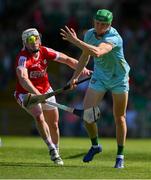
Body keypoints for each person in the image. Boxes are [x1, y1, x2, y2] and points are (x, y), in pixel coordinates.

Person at [60, 9, 130, 168]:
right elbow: (85, 57)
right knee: (87, 116)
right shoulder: (89, 35)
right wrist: (74, 78)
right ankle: (95, 146)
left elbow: (98, 52)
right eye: (97, 23)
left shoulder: (114, 37)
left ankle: (120, 156)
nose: (99, 26)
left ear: (109, 24)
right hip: (99, 77)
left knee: (119, 117)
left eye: (103, 24)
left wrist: (76, 41)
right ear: (94, 21)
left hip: (119, 79)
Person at [14, 28, 91, 165]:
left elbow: (66, 59)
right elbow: (23, 79)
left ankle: (57, 150)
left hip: (46, 90)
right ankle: (52, 149)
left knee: (54, 124)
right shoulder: (23, 58)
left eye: (37, 38)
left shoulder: (44, 51)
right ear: (25, 42)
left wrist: (84, 71)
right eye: (31, 40)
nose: (35, 42)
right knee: (39, 116)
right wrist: (38, 95)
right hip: (26, 94)